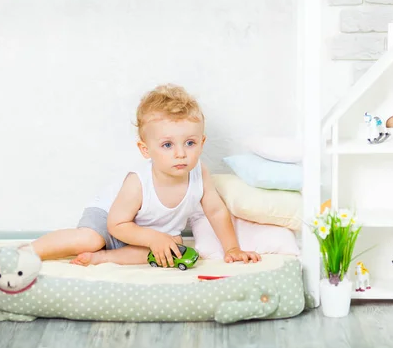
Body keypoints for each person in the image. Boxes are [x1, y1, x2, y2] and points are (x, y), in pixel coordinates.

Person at [32, 84, 261, 267]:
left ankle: (104, 258)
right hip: (110, 221)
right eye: (167, 145)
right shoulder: (138, 182)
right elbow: (117, 224)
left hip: (148, 236)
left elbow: (216, 210)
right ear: (145, 149)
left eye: (190, 143)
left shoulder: (199, 172)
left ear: (202, 143)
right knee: (90, 240)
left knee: (174, 246)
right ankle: (26, 253)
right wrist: (152, 238)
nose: (180, 154)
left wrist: (232, 249)